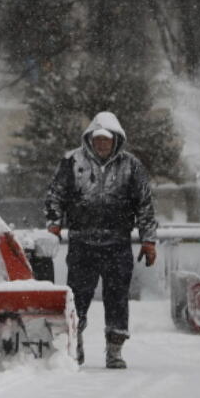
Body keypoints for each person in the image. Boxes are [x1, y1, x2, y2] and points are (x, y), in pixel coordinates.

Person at [44, 111, 157, 369]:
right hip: (82, 244)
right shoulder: (71, 162)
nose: (102, 144)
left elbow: (145, 206)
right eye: (97, 139)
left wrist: (148, 240)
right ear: (90, 139)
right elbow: (54, 197)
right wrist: (54, 226)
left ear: (116, 139)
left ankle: (115, 350)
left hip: (118, 245)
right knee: (78, 297)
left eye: (107, 139)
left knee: (117, 298)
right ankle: (76, 344)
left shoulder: (131, 166)